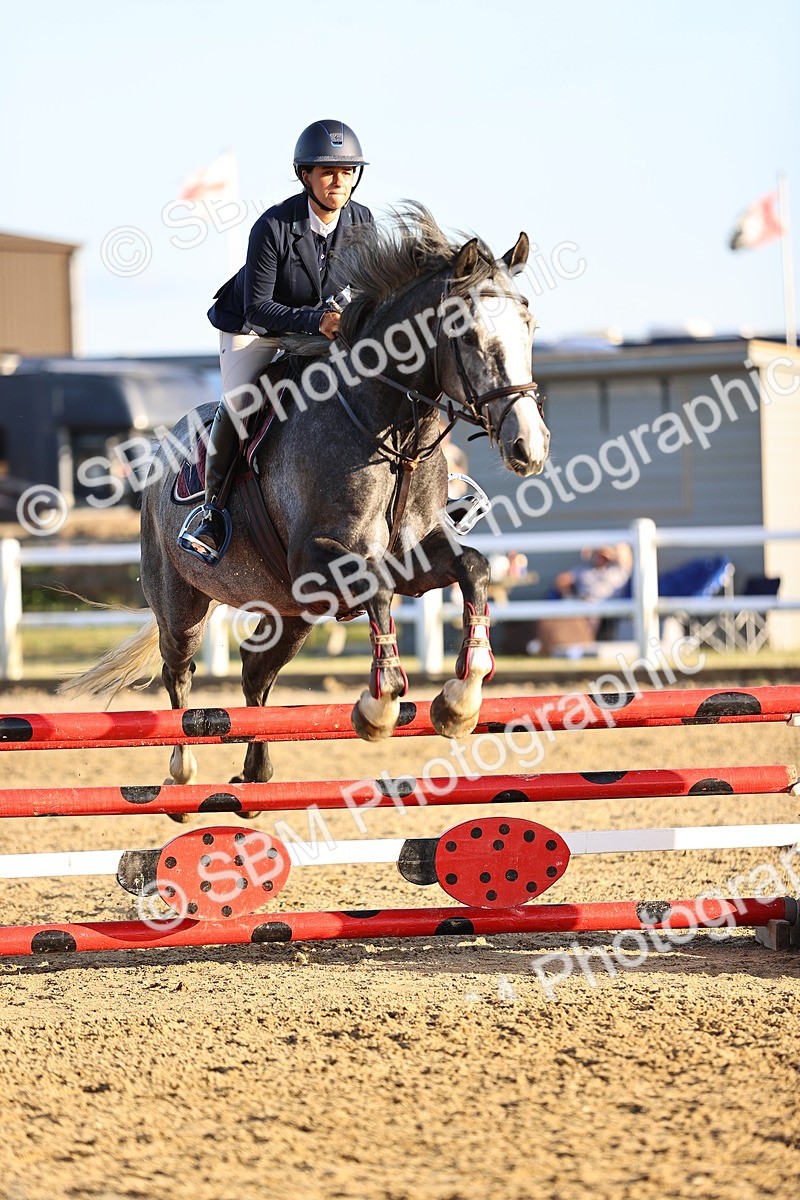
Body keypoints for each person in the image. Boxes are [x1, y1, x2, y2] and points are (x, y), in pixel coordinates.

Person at [179, 120, 373, 563]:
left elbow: (368, 287)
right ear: (305, 175)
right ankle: (211, 512)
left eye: (346, 172)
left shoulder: (362, 221)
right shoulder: (273, 226)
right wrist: (315, 321)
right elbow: (259, 309)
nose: (337, 182)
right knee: (242, 401)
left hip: (321, 327)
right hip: (255, 328)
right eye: (327, 172)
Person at [527, 542, 634, 656]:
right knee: (562, 609)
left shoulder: (618, 571)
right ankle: (547, 643)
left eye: (604, 554)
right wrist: (566, 590)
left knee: (592, 611)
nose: (601, 557)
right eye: (599, 554)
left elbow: (624, 550)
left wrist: (607, 549)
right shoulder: (584, 569)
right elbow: (562, 580)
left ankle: (587, 646)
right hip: (578, 601)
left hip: (605, 604)